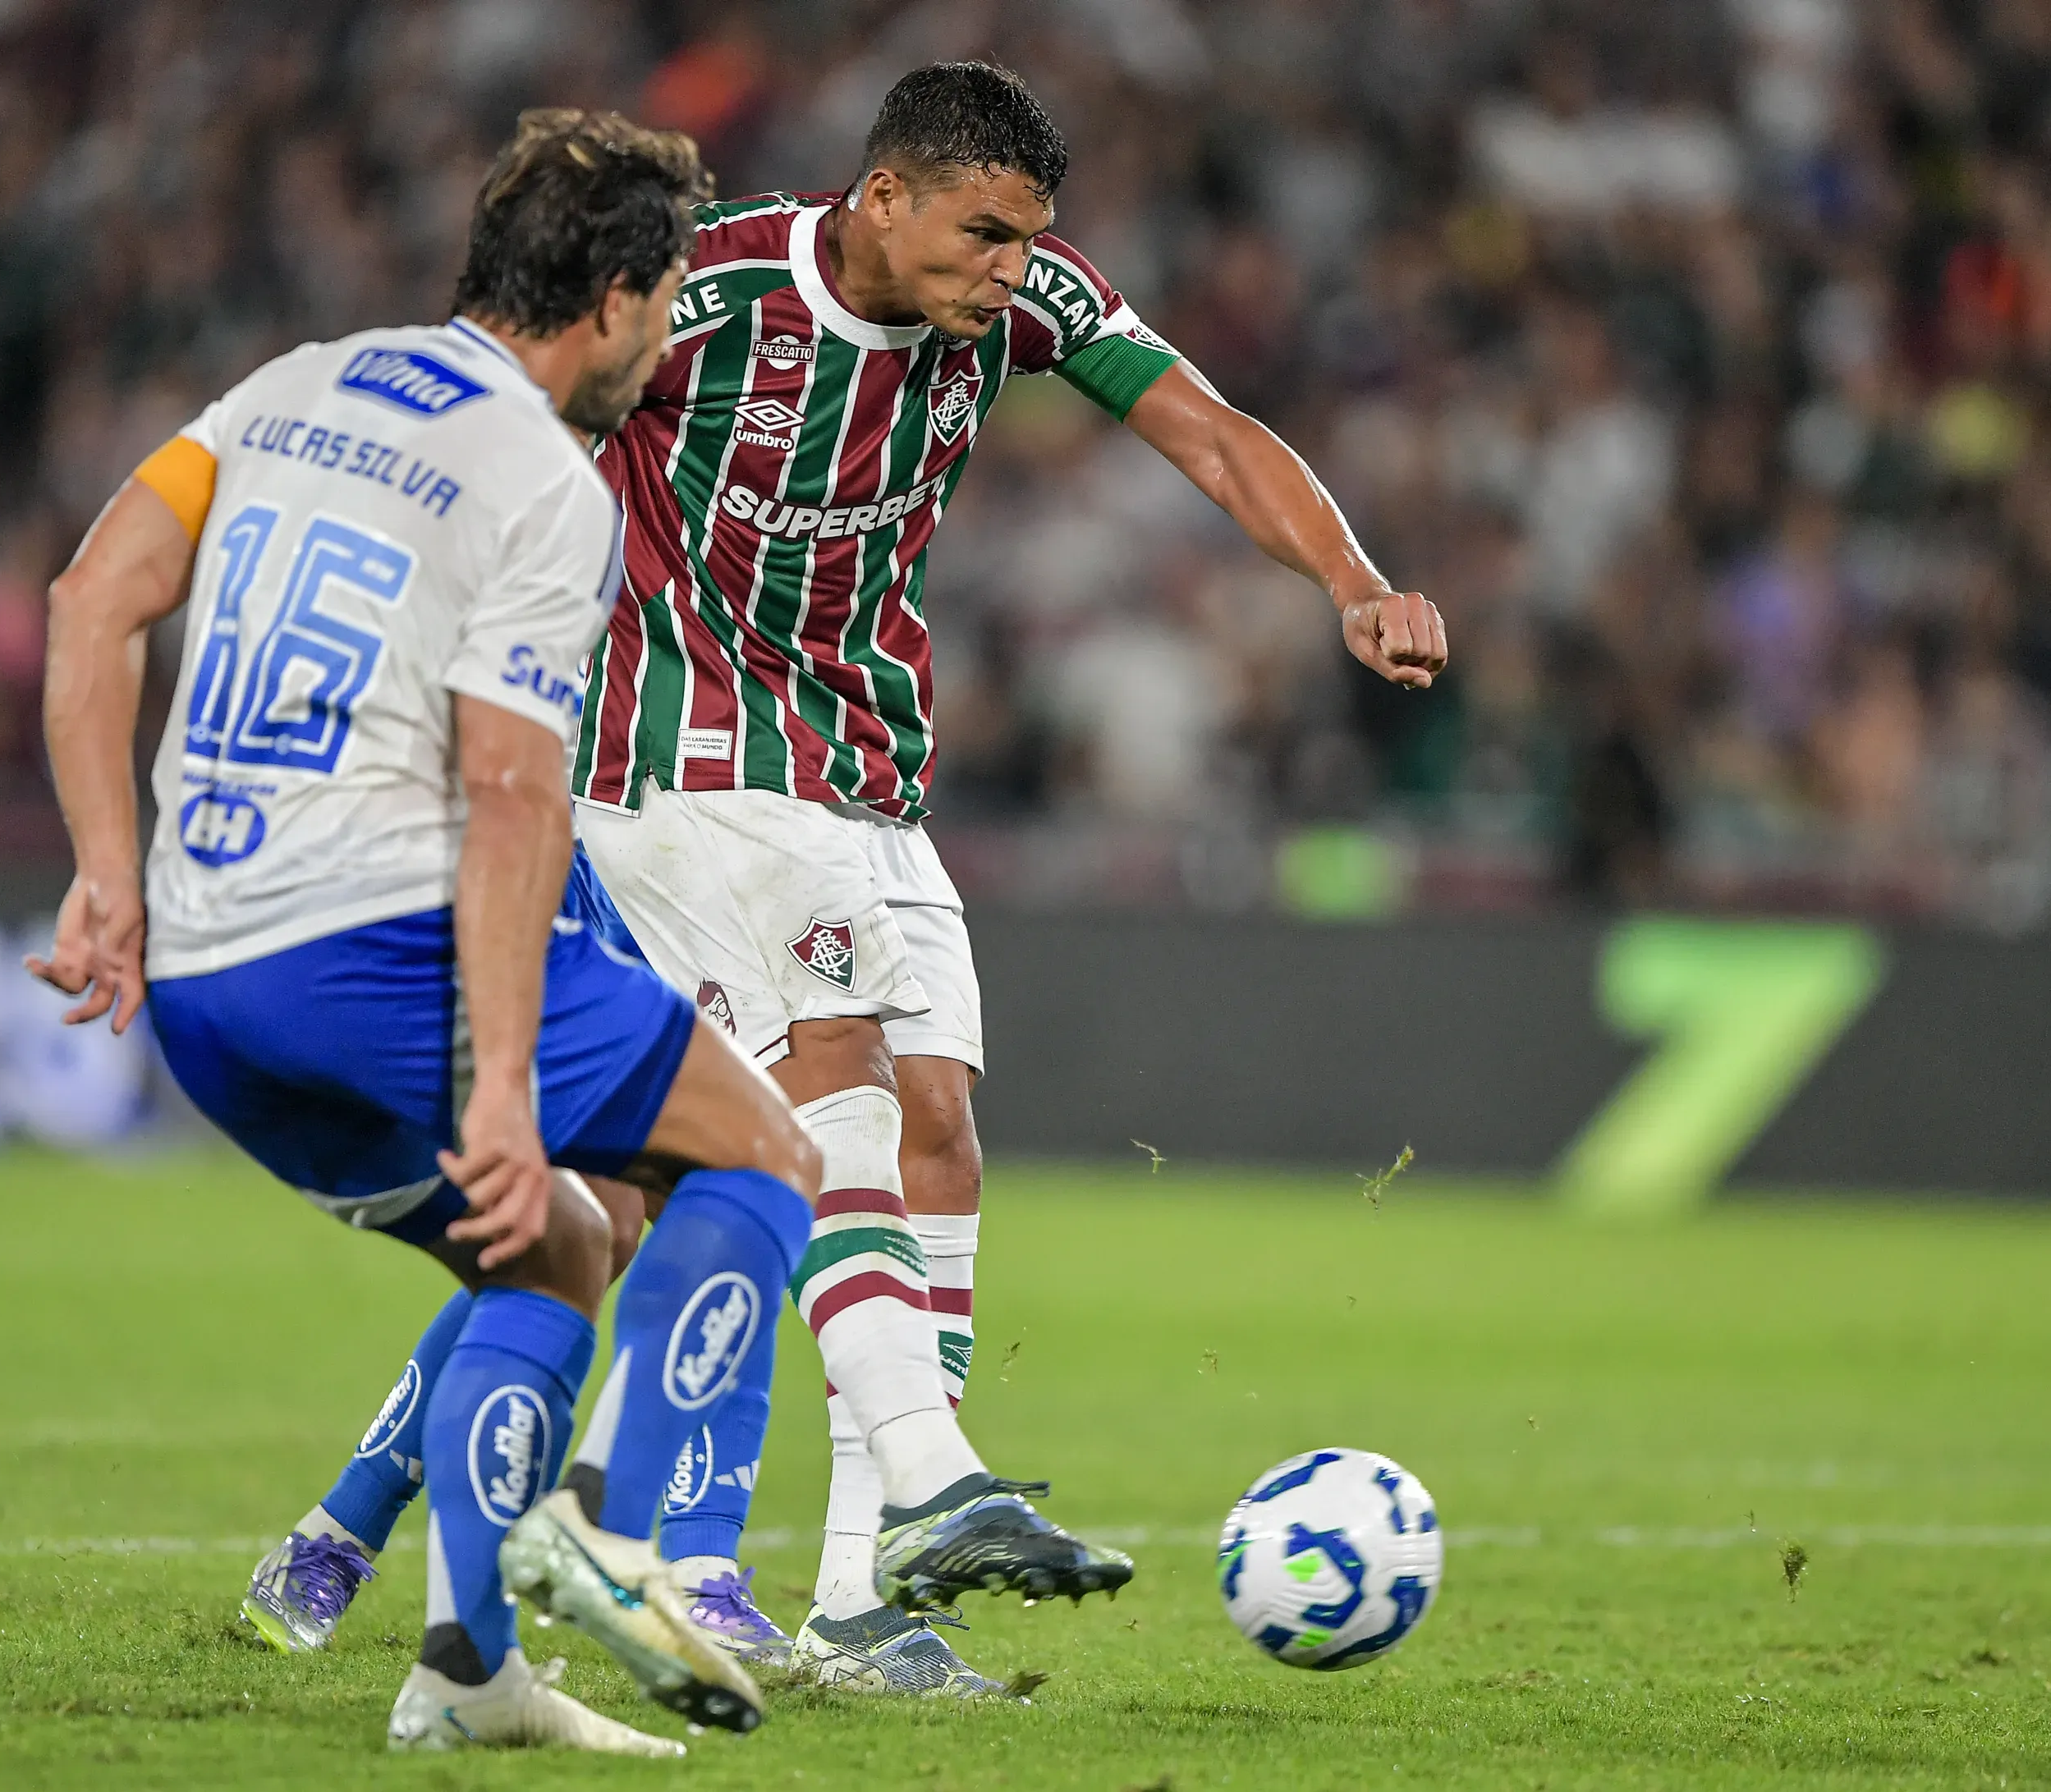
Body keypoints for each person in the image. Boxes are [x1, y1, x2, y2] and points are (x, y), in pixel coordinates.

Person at [261, 58, 1450, 1696]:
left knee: (863, 1139)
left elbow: (1214, 433)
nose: (1008, 272)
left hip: (863, 771)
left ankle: (816, 1597)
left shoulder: (1023, 303)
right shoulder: (713, 293)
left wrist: (1354, 578)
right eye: (982, 235)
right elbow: (501, 424)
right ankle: (916, 1477)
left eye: (1031, 241)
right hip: (676, 771)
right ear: (882, 198)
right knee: (821, 1100)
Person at [30, 109, 825, 1756]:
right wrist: (502, 1081)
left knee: (554, 1246)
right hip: (374, 943)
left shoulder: (295, 384)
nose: (668, 344)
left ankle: (467, 1665)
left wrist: (107, 867)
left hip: (200, 977)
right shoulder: (546, 482)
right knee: (765, 1159)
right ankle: (602, 1532)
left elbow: (92, 598)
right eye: (668, 304)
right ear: (607, 294)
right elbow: (515, 789)